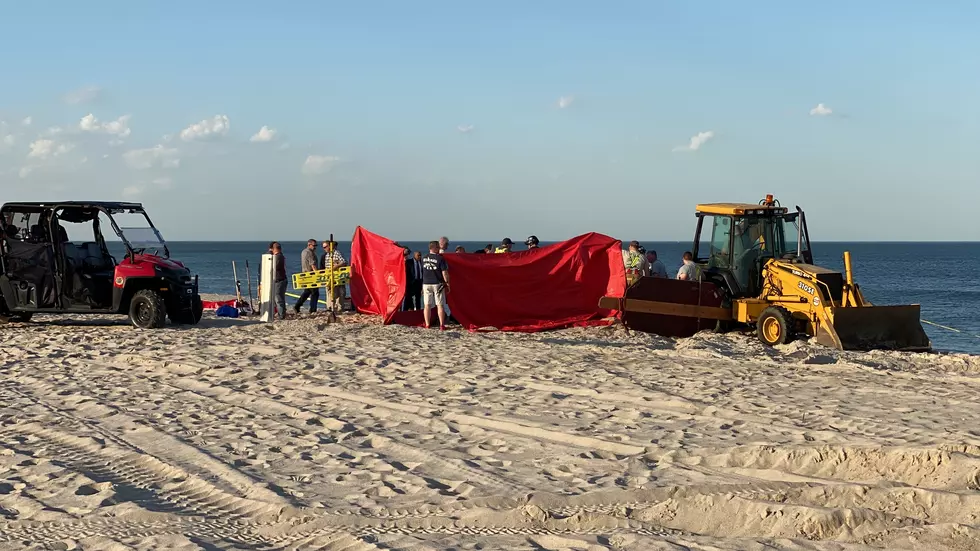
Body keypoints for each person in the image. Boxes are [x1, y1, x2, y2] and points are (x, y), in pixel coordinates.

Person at [421, 240, 450, 329]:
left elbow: (423, 271)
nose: (439, 249)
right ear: (435, 248)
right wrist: (447, 283)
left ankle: (427, 324)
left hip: (426, 283)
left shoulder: (424, 258)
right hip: (437, 283)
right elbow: (444, 272)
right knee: (440, 304)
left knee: (427, 305)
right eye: (438, 247)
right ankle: (442, 325)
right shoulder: (440, 259)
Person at [293, 239, 320, 314]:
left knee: (307, 292)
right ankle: (313, 309)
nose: (315, 247)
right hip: (311, 275)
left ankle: (297, 306)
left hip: (305, 275)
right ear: (309, 245)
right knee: (315, 293)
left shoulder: (304, 251)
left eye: (316, 246)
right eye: (314, 245)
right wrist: (318, 274)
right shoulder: (309, 253)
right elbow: (313, 264)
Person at [320, 240, 348, 311]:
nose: (324, 249)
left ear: (330, 246)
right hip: (329, 276)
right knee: (330, 292)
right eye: (323, 247)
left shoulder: (336, 253)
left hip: (338, 276)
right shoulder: (326, 255)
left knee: (340, 292)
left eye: (325, 247)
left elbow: (344, 261)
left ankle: (340, 308)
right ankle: (330, 308)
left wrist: (336, 266)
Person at [271, 242, 287, 320]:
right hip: (281, 279)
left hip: (279, 280)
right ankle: (281, 313)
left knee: (278, 298)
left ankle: (281, 315)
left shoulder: (278, 257)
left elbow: (275, 267)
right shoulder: (280, 256)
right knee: (280, 297)